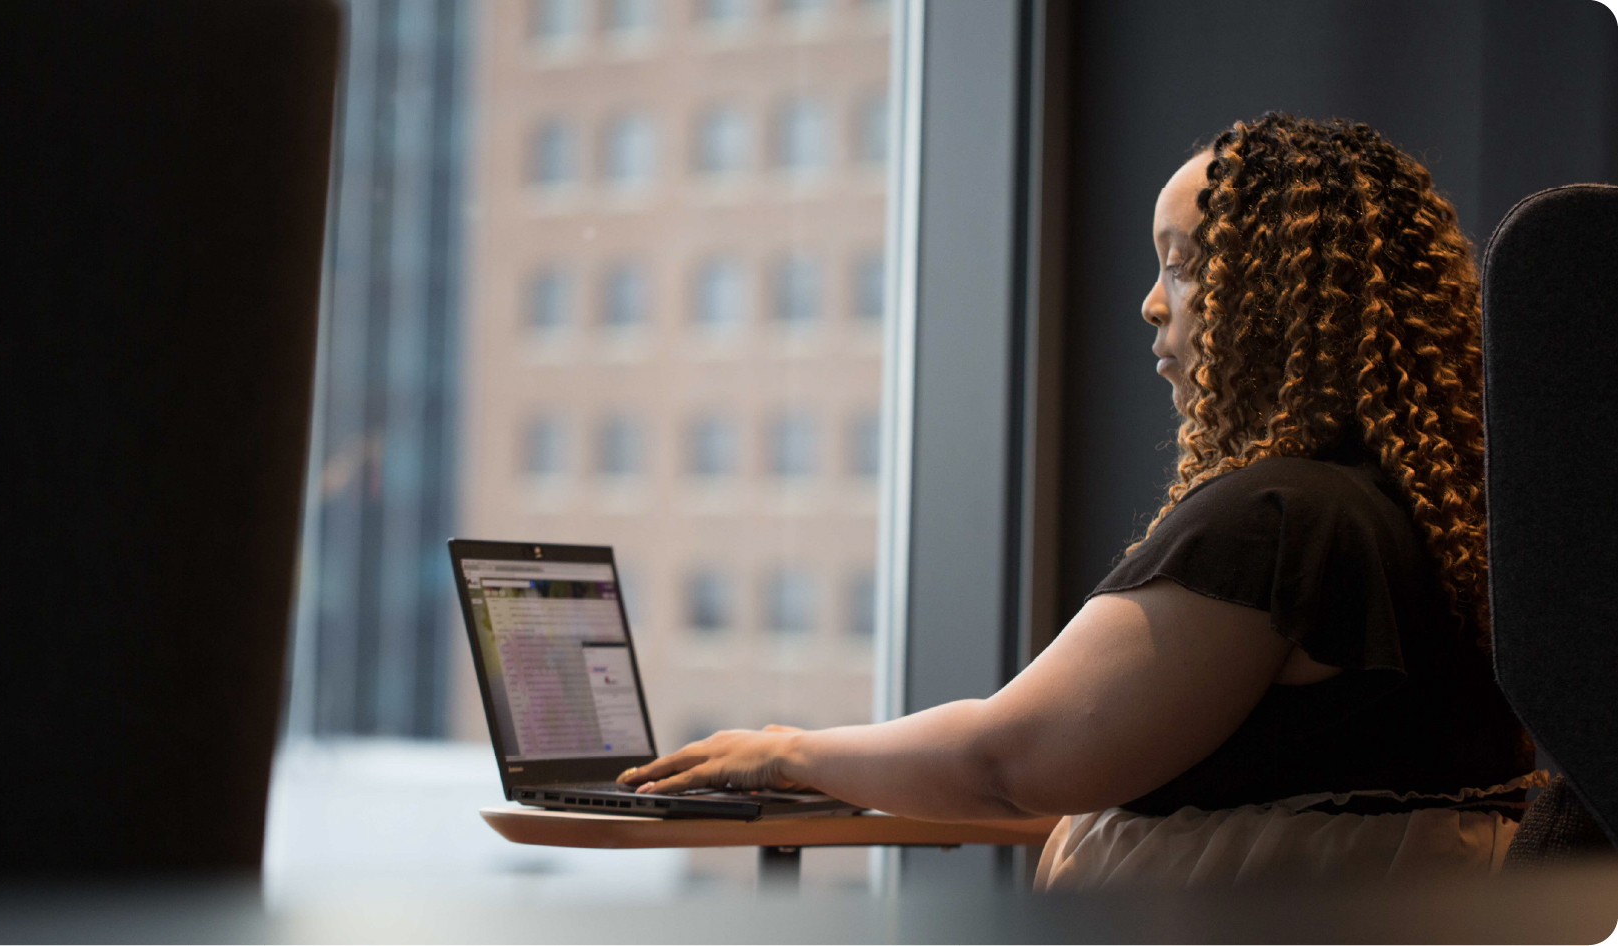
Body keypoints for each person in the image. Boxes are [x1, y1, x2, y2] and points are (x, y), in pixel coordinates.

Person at [616, 113, 1540, 889]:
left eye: (1182, 265)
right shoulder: (1435, 515)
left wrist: (787, 754)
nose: (1150, 304)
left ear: (1282, 294)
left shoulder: (1279, 518)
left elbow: (1008, 763)